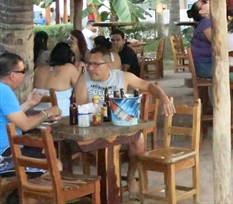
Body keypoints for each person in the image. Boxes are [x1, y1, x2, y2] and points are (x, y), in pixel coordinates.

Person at [75, 47, 174, 198]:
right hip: (96, 126)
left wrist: (164, 98)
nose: (90, 68)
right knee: (109, 145)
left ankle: (130, 176)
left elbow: (149, 86)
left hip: (120, 124)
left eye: (96, 64)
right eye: (88, 63)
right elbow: (81, 106)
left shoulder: (123, 77)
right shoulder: (84, 78)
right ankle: (107, 188)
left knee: (139, 140)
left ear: (108, 65)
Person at [0, 53, 62, 177]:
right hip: (5, 156)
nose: (24, 75)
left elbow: (8, 116)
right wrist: (47, 112)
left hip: (8, 150)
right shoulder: (4, 91)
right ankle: (24, 194)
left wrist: (28, 104)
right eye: (22, 71)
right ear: (13, 75)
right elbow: (25, 125)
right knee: (56, 164)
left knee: (45, 150)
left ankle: (22, 193)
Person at [33, 42, 80, 115]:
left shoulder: (39, 69)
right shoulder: (70, 68)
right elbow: (81, 88)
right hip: (60, 114)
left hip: (36, 113)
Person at [188, 0, 212, 78]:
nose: (208, 1)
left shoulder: (206, 22)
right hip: (205, 65)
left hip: (206, 64)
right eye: (204, 2)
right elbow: (217, 42)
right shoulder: (206, 22)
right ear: (201, 12)